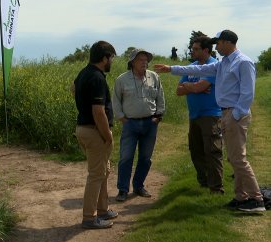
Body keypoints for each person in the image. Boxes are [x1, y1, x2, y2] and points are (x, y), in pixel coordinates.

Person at [155, 30, 266, 213]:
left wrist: (235, 115)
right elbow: (198, 69)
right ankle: (241, 197)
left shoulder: (243, 62)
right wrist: (171, 69)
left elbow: (248, 94)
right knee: (234, 158)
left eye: (218, 43)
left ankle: (256, 199)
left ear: (228, 42)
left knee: (238, 159)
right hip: (226, 114)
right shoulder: (223, 63)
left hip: (235, 114)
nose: (216, 46)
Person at [74, 40, 118, 229]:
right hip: (95, 131)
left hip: (83, 128)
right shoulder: (98, 78)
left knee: (103, 171)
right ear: (104, 58)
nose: (112, 62)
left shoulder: (83, 73)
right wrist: (107, 134)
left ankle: (102, 210)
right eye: (111, 58)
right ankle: (89, 218)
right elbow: (98, 112)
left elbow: (73, 89)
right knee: (96, 174)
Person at [112, 49, 165, 202]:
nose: (144, 62)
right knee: (125, 158)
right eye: (140, 59)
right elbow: (115, 101)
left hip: (150, 123)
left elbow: (160, 97)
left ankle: (139, 186)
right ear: (132, 62)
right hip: (130, 124)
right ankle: (122, 190)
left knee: (145, 158)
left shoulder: (154, 77)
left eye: (146, 59)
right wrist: (122, 118)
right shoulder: (122, 79)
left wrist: (158, 116)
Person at [177, 36, 224, 193]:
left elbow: (196, 88)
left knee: (212, 151)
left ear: (206, 50)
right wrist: (195, 86)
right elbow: (179, 91)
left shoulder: (213, 66)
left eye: (196, 48)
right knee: (196, 150)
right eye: (192, 48)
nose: (192, 51)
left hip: (211, 114)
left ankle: (216, 188)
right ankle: (203, 182)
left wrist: (190, 86)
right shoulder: (191, 67)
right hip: (194, 116)